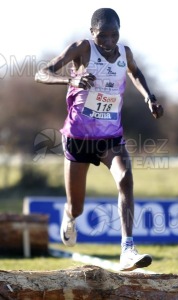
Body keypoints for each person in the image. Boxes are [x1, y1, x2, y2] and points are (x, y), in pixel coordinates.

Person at [35, 7, 163, 271]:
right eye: (102, 36)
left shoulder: (124, 53)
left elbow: (135, 72)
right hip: (78, 137)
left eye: (113, 35)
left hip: (110, 137)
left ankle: (127, 249)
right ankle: (69, 216)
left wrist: (149, 97)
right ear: (92, 33)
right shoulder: (81, 48)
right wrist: (72, 80)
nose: (108, 42)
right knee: (77, 206)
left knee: (125, 179)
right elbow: (42, 73)